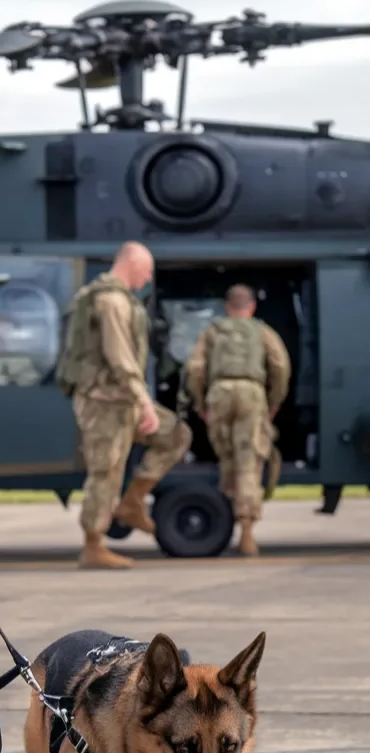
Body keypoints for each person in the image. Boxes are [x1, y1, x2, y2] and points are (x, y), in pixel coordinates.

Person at [56, 242, 192, 569]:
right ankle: (93, 546)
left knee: (175, 434)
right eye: (145, 271)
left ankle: (132, 502)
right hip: (104, 402)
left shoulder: (112, 298)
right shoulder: (111, 301)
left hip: (121, 399)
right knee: (106, 471)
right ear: (132, 264)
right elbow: (120, 358)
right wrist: (144, 402)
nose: (147, 278)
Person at [184, 283, 291, 556]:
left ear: (226, 307)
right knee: (248, 462)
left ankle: (226, 515)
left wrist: (200, 402)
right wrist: (273, 402)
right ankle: (246, 531)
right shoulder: (262, 332)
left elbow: (195, 369)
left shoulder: (212, 332)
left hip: (219, 393)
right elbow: (280, 366)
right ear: (252, 306)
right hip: (252, 393)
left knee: (227, 459)